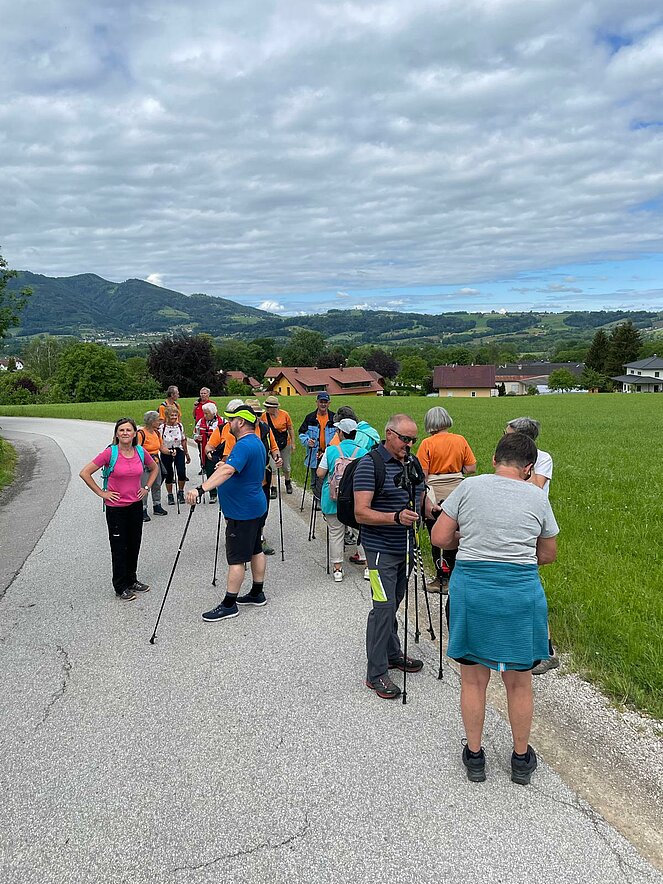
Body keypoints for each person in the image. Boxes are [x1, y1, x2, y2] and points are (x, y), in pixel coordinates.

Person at [432, 432, 558, 786]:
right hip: (520, 593)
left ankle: (475, 757)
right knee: (519, 683)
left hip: (472, 591)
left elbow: (439, 538)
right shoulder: (537, 497)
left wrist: (466, 539)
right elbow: (548, 554)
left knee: (473, 680)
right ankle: (520, 760)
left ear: (493, 460)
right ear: (529, 468)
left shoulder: (469, 488)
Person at [354, 414, 437, 700]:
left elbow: (420, 495)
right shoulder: (370, 465)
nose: (410, 444)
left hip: (406, 548)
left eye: (414, 439)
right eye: (405, 439)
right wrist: (395, 517)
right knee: (383, 608)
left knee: (394, 603)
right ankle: (375, 673)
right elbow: (361, 512)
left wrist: (432, 510)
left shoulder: (411, 462)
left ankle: (391, 653)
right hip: (379, 550)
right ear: (389, 434)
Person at [186, 404, 269, 622]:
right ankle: (257, 593)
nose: (228, 423)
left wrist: (201, 489)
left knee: (236, 559)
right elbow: (234, 467)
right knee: (256, 549)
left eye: (231, 420)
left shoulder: (243, 445)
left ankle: (229, 604)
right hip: (255, 506)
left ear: (240, 422)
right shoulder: (255, 441)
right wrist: (225, 465)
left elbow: (229, 470)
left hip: (242, 512)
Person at [79, 417, 159, 601]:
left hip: (135, 506)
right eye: (121, 430)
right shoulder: (110, 453)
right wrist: (102, 493)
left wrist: (146, 488)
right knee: (119, 547)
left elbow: (154, 468)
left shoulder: (140, 451)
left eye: (128, 430)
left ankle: (132, 579)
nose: (125, 433)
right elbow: (85, 472)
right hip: (116, 509)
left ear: (134, 433)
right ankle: (120, 586)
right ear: (116, 433)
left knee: (134, 544)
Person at [505, 416, 557, 675]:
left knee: (529, 586)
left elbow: (536, 486)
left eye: (508, 434)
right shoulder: (509, 459)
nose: (504, 438)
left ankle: (547, 651)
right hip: (511, 521)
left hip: (531, 525)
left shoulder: (542, 458)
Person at [416, 407, 477, 592]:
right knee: (457, 534)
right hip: (458, 488)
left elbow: (422, 474)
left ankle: (441, 579)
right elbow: (471, 468)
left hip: (435, 491)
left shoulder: (427, 443)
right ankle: (457, 577)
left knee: (437, 536)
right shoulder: (460, 440)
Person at [316, 419, 368, 582]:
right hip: (356, 500)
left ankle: (337, 569)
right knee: (362, 532)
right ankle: (368, 567)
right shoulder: (364, 452)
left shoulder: (331, 450)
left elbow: (320, 473)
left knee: (335, 533)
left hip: (334, 499)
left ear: (341, 433)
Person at [245, 398, 283, 555]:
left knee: (263, 508)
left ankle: (260, 537)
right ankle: (244, 537)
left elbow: (273, 447)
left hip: (263, 476)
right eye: (253, 414)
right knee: (246, 508)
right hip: (245, 478)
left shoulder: (265, 429)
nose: (256, 417)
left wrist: (277, 457)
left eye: (258, 413)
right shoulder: (239, 430)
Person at [298, 392, 336, 492]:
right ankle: (316, 499)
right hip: (314, 455)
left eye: (325, 402)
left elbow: (339, 436)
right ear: (317, 402)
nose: (323, 404)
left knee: (329, 481)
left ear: (329, 403)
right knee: (314, 481)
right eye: (321, 402)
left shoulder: (334, 418)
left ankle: (325, 499)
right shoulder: (310, 418)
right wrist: (307, 441)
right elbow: (301, 433)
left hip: (329, 455)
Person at [137, 410, 170, 520]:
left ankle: (157, 506)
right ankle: (142, 509)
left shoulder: (157, 433)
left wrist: (170, 452)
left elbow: (161, 447)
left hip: (156, 461)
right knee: (144, 485)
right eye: (158, 420)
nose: (160, 422)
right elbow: (137, 449)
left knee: (157, 484)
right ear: (151, 421)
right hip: (144, 463)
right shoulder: (141, 434)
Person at [262, 395, 295, 496]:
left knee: (286, 467)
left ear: (275, 407)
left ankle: (287, 482)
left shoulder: (285, 414)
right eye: (266, 407)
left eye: (268, 407)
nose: (266, 409)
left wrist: (293, 443)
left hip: (285, 443)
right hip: (271, 445)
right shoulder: (264, 416)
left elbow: (290, 429)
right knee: (273, 467)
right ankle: (274, 488)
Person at [160, 405, 191, 505]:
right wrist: (167, 451)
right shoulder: (162, 427)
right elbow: (160, 443)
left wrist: (186, 453)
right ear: (167, 416)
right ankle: (170, 494)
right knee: (169, 474)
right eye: (171, 415)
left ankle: (180, 492)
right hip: (166, 451)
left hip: (179, 450)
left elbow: (183, 440)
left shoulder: (180, 426)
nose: (174, 417)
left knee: (181, 472)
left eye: (175, 415)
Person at [194, 401, 220, 503]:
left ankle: (223, 492)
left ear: (213, 413)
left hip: (219, 451)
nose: (204, 415)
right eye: (204, 413)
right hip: (207, 451)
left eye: (206, 413)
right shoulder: (201, 422)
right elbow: (195, 434)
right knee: (210, 472)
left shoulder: (222, 421)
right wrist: (198, 437)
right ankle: (213, 494)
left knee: (220, 472)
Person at [193, 387, 217, 472]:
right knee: (201, 449)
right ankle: (203, 466)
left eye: (204, 393)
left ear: (208, 394)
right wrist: (195, 407)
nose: (203, 395)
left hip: (210, 427)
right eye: (201, 393)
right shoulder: (198, 404)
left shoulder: (212, 404)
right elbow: (194, 415)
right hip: (200, 425)